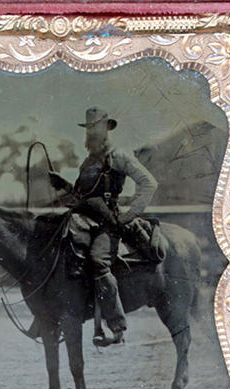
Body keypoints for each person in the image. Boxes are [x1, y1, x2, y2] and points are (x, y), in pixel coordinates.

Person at [49, 107, 158, 346]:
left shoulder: (120, 156)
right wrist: (63, 186)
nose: (91, 132)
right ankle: (59, 317)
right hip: (82, 219)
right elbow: (81, 196)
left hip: (107, 223)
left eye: (96, 127)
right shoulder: (88, 161)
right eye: (88, 128)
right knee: (57, 250)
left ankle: (116, 328)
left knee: (99, 262)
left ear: (107, 127)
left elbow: (149, 183)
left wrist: (129, 215)